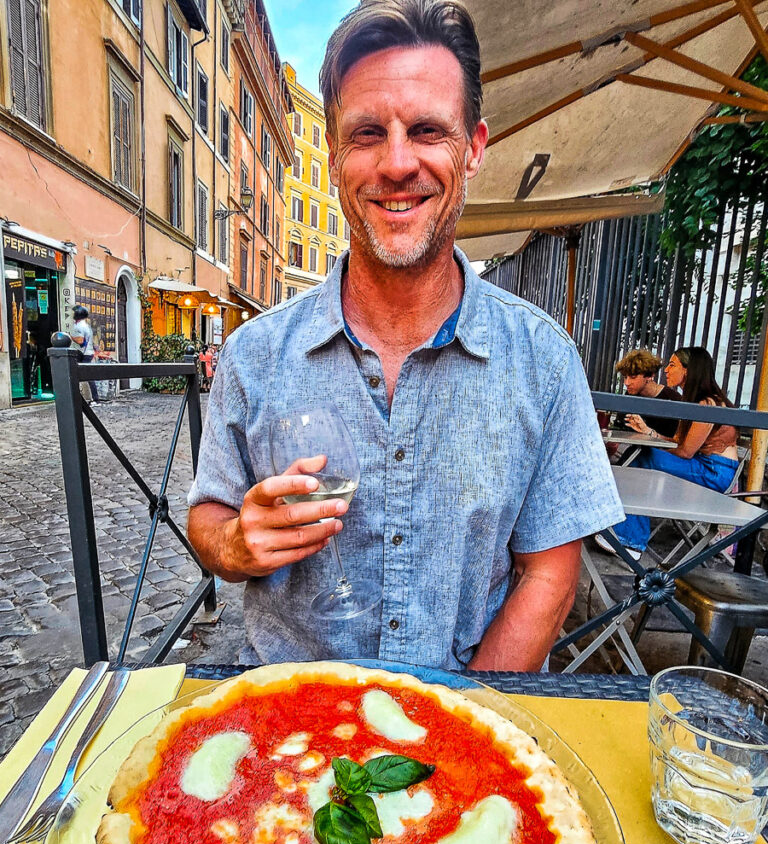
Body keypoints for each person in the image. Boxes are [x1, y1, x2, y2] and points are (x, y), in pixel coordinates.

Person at [187, 0, 623, 672]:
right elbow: (208, 517)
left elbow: (548, 575)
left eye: (426, 130)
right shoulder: (254, 354)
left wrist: (457, 727)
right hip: (286, 722)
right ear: (332, 155)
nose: (396, 163)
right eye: (366, 134)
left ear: (473, 148)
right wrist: (236, 546)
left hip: (461, 728)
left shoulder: (544, 362)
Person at [600, 347, 739, 558]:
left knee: (647, 458)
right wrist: (648, 432)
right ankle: (625, 531)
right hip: (700, 465)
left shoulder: (708, 403)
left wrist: (652, 441)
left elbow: (684, 452)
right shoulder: (690, 401)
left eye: (673, 365)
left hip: (713, 473)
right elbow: (677, 443)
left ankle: (632, 541)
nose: (666, 370)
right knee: (640, 455)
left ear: (689, 370)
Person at [615, 348, 681, 438]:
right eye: (625, 377)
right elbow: (619, 428)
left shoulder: (673, 399)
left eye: (633, 377)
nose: (627, 383)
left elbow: (677, 442)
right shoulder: (629, 396)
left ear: (650, 376)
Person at [69, 305, 100, 403]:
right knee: (87, 376)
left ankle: (80, 397)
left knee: (76, 374)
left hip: (82, 353)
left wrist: (70, 336)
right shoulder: (85, 325)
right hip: (87, 352)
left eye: (73, 312)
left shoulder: (79, 326)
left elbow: (80, 340)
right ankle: (94, 398)